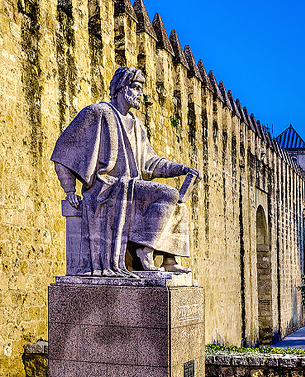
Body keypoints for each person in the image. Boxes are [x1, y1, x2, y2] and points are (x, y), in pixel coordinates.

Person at [51, 67, 200, 276]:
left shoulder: (137, 125)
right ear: (122, 88)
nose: (140, 94)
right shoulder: (98, 113)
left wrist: (182, 169)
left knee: (179, 204)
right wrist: (69, 190)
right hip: (107, 189)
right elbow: (63, 151)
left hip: (131, 188)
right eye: (137, 88)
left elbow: (151, 163)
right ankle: (145, 250)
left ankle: (169, 259)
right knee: (169, 194)